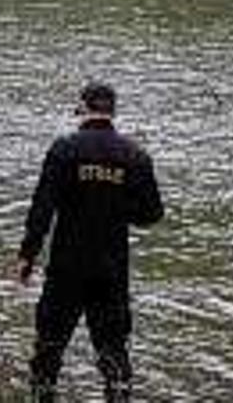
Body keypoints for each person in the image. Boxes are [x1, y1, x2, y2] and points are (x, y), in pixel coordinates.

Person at [13, 83, 165, 402]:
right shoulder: (135, 156)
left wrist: (27, 255)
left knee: (49, 349)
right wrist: (118, 208)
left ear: (82, 109)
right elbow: (152, 214)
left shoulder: (64, 150)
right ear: (113, 111)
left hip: (67, 267)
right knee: (113, 354)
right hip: (111, 269)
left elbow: (42, 208)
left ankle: (42, 397)